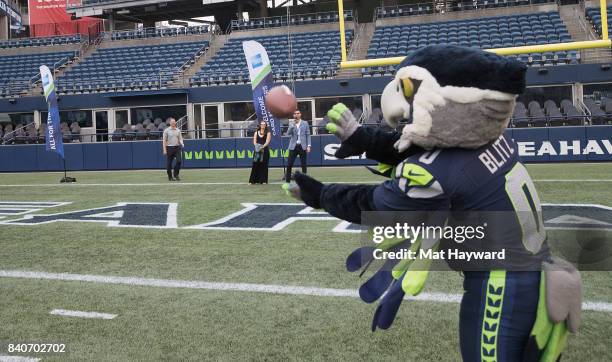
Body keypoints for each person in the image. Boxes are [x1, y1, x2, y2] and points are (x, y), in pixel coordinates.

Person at [284, 109, 311, 182]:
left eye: (298, 113)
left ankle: (305, 181)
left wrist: (308, 146)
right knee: (289, 164)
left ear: (300, 114)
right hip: (293, 146)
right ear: (293, 115)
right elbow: (288, 133)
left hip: (302, 146)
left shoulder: (305, 123)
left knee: (303, 164)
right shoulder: (291, 123)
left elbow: (308, 135)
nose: (296, 115)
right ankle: (287, 181)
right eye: (295, 114)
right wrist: (292, 126)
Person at [162, 117, 184, 181]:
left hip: (177, 147)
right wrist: (164, 149)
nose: (173, 123)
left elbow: (180, 138)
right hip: (169, 148)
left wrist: (182, 143)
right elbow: (164, 141)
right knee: (169, 164)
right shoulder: (166, 130)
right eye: (172, 122)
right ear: (170, 123)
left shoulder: (178, 130)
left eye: (174, 122)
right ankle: (170, 177)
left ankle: (176, 174)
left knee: (179, 161)